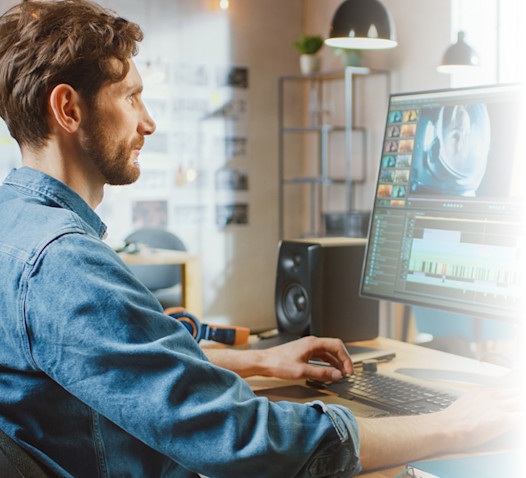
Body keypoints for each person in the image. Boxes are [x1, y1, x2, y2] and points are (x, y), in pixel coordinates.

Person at [0, 1, 520, 477]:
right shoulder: (64, 265)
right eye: (132, 97)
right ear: (68, 109)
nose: (148, 122)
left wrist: (262, 359)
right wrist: (453, 426)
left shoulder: (18, 231)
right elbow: (244, 440)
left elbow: (129, 360)